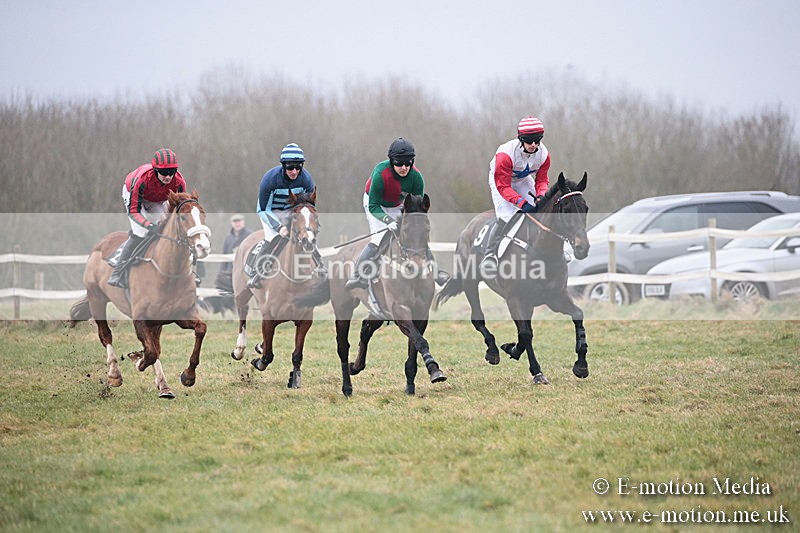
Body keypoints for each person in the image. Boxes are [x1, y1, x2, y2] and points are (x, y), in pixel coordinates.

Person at [345, 137, 450, 290]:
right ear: (391, 162)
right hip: (375, 203)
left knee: (415, 234)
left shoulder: (417, 178)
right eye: (399, 163)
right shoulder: (381, 174)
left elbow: (417, 209)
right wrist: (388, 220)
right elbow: (374, 206)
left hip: (397, 204)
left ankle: (436, 271)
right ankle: (358, 275)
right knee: (379, 237)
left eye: (408, 163)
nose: (403, 167)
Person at [108, 148, 187, 288]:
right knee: (142, 232)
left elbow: (179, 210)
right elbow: (134, 210)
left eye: (172, 171)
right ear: (156, 170)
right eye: (164, 172)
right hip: (134, 196)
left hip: (156, 199)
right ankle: (117, 272)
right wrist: (149, 225)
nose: (168, 177)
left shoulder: (179, 183)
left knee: (167, 229)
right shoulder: (142, 180)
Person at [481, 116, 551, 268]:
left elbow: (542, 180)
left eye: (537, 140)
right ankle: (490, 254)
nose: (533, 145)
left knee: (541, 211)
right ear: (520, 139)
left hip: (523, 180)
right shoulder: (505, 155)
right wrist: (521, 202)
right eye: (529, 140)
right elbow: (504, 187)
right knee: (507, 216)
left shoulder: (544, 155)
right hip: (501, 182)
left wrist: (540, 196)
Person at [248, 143, 317, 288]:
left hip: (293, 212)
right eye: (290, 167)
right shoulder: (270, 180)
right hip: (270, 212)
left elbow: (308, 206)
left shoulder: (306, 180)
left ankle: (320, 266)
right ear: (283, 166)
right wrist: (279, 227)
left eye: (298, 167)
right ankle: (256, 272)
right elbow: (263, 209)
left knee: (306, 235)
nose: (294, 171)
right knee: (272, 237)